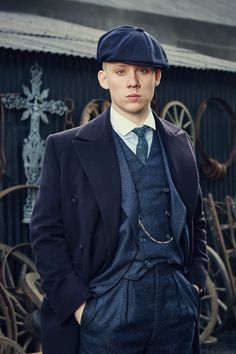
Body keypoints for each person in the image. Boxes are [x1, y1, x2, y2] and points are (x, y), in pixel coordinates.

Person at [30, 25, 208, 354]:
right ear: (103, 78)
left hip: (176, 311)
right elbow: (45, 234)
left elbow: (197, 222)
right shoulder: (67, 147)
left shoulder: (180, 143)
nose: (132, 82)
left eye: (142, 71)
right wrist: (81, 309)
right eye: (121, 71)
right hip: (104, 311)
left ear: (157, 77)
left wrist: (193, 285)